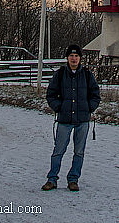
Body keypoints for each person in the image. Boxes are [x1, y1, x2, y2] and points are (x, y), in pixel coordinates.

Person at [41, 44, 100, 191]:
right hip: (64, 119)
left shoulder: (87, 75)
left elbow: (95, 94)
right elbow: (51, 94)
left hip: (82, 120)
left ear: (80, 58)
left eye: (76, 56)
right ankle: (52, 179)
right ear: (67, 58)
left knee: (79, 152)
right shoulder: (60, 74)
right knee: (58, 150)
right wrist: (59, 107)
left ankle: (73, 179)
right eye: (71, 56)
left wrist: (89, 107)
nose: (74, 59)